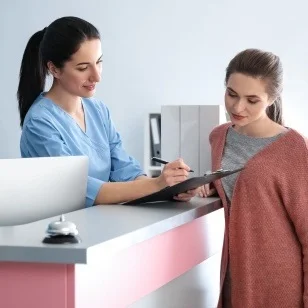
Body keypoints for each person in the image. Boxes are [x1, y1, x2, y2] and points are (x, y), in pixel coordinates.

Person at [17, 16, 198, 207]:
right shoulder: (40, 122)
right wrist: (157, 184)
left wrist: (170, 187)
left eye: (99, 62)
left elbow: (125, 170)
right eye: (83, 68)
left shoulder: (98, 110)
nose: (97, 76)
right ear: (54, 69)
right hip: (63, 230)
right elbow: (80, 190)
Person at [201, 49, 308, 307]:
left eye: (252, 100)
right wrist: (205, 186)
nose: (237, 107)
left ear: (271, 99)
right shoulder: (218, 137)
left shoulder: (294, 149)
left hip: (278, 284)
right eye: (232, 94)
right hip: (234, 275)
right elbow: (247, 194)